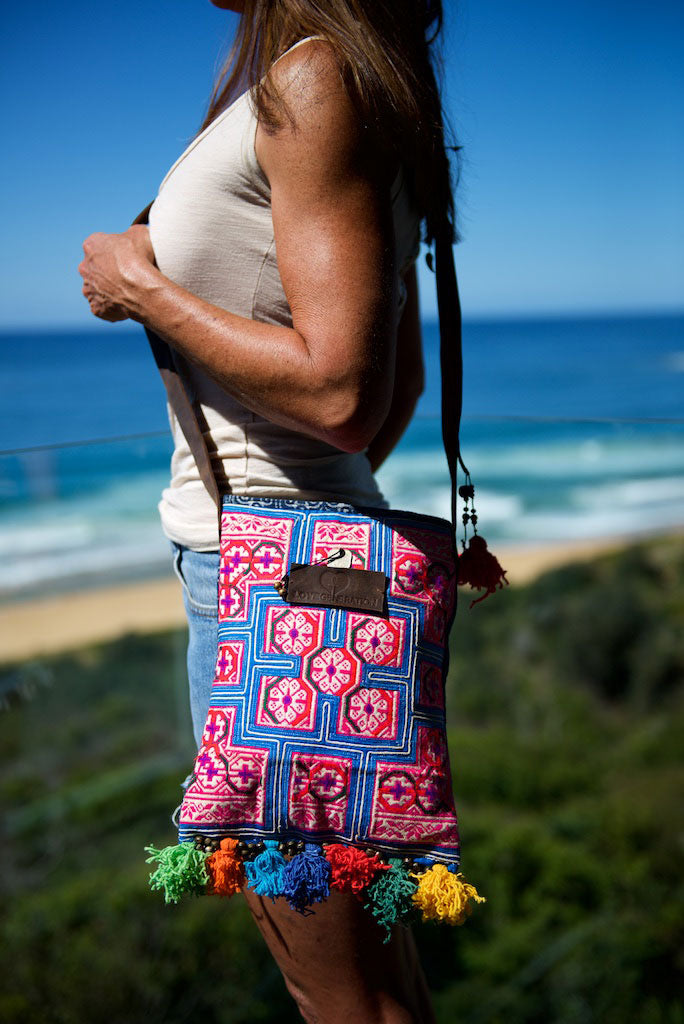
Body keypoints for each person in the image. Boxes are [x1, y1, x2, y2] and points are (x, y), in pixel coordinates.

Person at [79, 2, 462, 1020]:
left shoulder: (312, 78)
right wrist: (322, 508)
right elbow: (398, 386)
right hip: (306, 567)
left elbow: (341, 393)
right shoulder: (365, 82)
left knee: (332, 991)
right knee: (377, 982)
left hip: (260, 592)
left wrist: (139, 284)